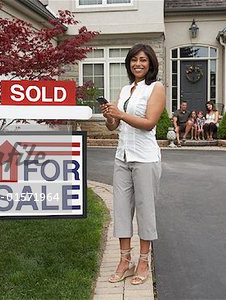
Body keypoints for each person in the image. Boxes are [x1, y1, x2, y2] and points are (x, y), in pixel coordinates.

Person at [100, 44, 164, 285]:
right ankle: (125, 260)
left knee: (145, 211)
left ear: (150, 64)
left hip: (145, 158)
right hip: (122, 157)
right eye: (134, 59)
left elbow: (149, 123)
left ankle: (144, 261)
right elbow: (113, 126)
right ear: (129, 63)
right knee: (122, 210)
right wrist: (109, 115)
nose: (138, 64)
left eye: (143, 60)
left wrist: (120, 114)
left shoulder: (155, 88)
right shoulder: (126, 89)